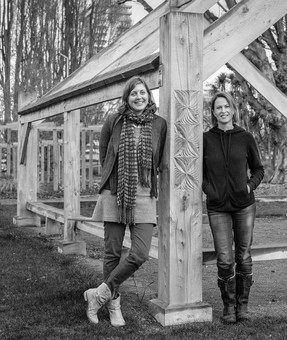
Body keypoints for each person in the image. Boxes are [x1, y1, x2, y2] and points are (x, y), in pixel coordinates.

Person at [84, 76, 167, 327]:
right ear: (127, 97)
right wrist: (116, 182)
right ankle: (114, 305)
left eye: (142, 93)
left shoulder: (159, 124)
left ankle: (98, 294)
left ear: (149, 96)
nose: (138, 97)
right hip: (115, 194)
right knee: (112, 253)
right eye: (133, 94)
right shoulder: (114, 120)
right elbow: (105, 155)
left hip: (144, 195)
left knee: (140, 253)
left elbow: (160, 159)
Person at [202, 92, 264, 323]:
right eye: (218, 107)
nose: (223, 111)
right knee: (225, 259)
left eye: (226, 106)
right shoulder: (206, 139)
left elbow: (259, 169)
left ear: (233, 109)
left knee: (244, 256)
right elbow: (200, 173)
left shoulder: (245, 137)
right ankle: (228, 307)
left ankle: (243, 306)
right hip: (217, 207)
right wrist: (210, 190)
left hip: (244, 205)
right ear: (213, 112)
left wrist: (249, 187)